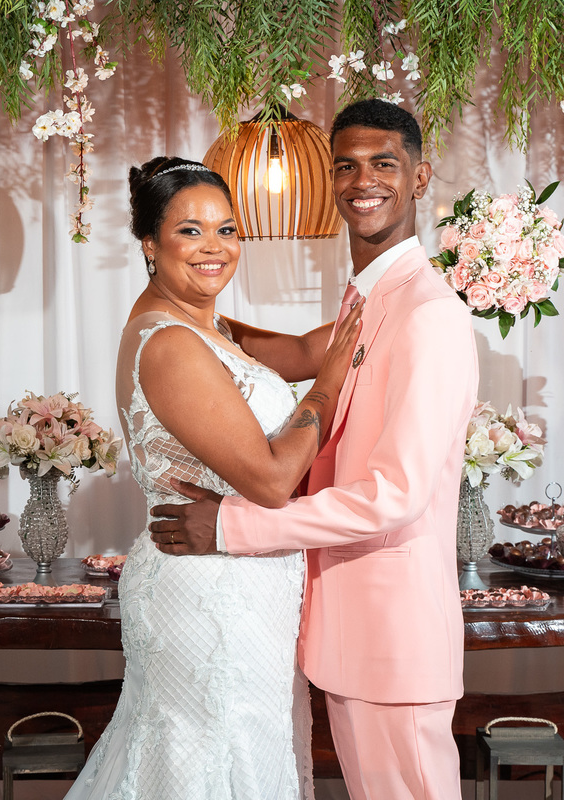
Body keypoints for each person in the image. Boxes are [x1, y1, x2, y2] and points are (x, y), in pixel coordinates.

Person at [149, 99, 479, 800]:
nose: (364, 181)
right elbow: (293, 354)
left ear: (420, 179)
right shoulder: (369, 298)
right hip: (346, 637)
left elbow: (394, 496)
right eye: (347, 167)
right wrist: (172, 306)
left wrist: (234, 526)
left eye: (384, 163)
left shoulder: (430, 315)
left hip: (394, 643)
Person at [64, 156, 363, 800]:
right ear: (149, 244)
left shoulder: (213, 327)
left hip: (247, 579)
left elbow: (311, 350)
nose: (215, 248)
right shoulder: (169, 341)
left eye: (227, 230)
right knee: (207, 760)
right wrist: (331, 385)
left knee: (241, 753)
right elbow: (273, 478)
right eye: (190, 231)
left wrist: (410, 283)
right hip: (205, 586)